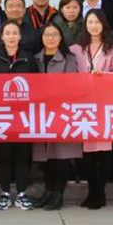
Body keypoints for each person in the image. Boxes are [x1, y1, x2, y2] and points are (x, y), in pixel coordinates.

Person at [71, 9, 113, 209]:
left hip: (104, 105)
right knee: (87, 154)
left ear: (104, 24)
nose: (93, 26)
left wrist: (104, 75)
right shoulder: (76, 49)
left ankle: (100, 193)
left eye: (97, 22)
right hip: (83, 106)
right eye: (90, 22)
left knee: (103, 152)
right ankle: (90, 192)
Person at [0, 20, 40, 210]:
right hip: (1, 114)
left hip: (23, 115)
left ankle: (21, 193)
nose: (11, 36)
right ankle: (4, 193)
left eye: (14, 33)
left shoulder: (28, 57)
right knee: (4, 155)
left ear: (20, 36)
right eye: (7, 33)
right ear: (1, 37)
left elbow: (38, 84)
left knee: (22, 155)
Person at [32, 22, 81, 211]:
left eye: (55, 35)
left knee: (61, 156)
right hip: (40, 113)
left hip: (62, 112)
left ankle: (58, 194)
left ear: (61, 38)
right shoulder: (35, 58)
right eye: (47, 35)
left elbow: (72, 85)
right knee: (46, 158)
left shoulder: (69, 58)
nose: (51, 38)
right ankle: (48, 191)